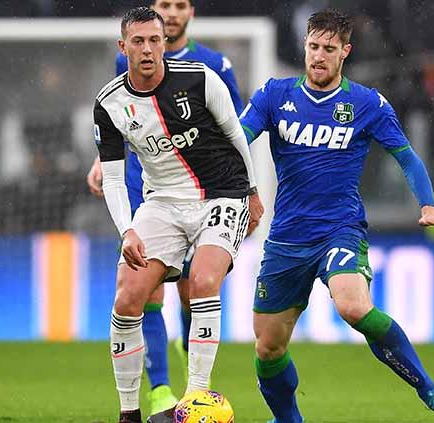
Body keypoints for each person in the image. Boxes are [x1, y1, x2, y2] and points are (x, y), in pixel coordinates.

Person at [239, 9, 434, 423]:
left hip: (339, 230)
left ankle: (432, 392)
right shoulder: (275, 95)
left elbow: (408, 157)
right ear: (305, 46)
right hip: (287, 237)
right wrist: (247, 193)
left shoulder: (366, 104)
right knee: (268, 347)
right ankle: (289, 419)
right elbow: (238, 141)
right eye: (313, 47)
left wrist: (428, 205)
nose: (319, 56)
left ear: (345, 51)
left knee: (353, 306)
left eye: (329, 49)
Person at [93, 8, 262, 423]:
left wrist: (253, 193)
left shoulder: (201, 78)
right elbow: (114, 179)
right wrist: (127, 229)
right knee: (127, 297)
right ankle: (129, 413)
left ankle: (194, 400)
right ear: (123, 47)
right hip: (162, 202)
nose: (148, 48)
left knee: (203, 280)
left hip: (220, 195)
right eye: (138, 41)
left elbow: (237, 135)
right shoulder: (109, 104)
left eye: (155, 40)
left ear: (164, 42)